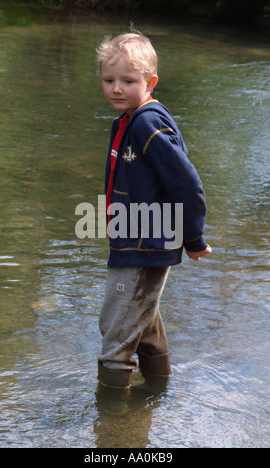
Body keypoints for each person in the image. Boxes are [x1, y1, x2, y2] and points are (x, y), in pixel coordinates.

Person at [96, 31, 211, 390]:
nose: (117, 88)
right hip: (132, 239)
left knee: (115, 333)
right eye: (109, 80)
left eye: (128, 81)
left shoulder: (147, 122)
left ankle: (113, 426)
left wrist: (193, 238)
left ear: (150, 82)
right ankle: (158, 395)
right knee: (143, 323)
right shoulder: (127, 120)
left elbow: (186, 183)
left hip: (145, 245)